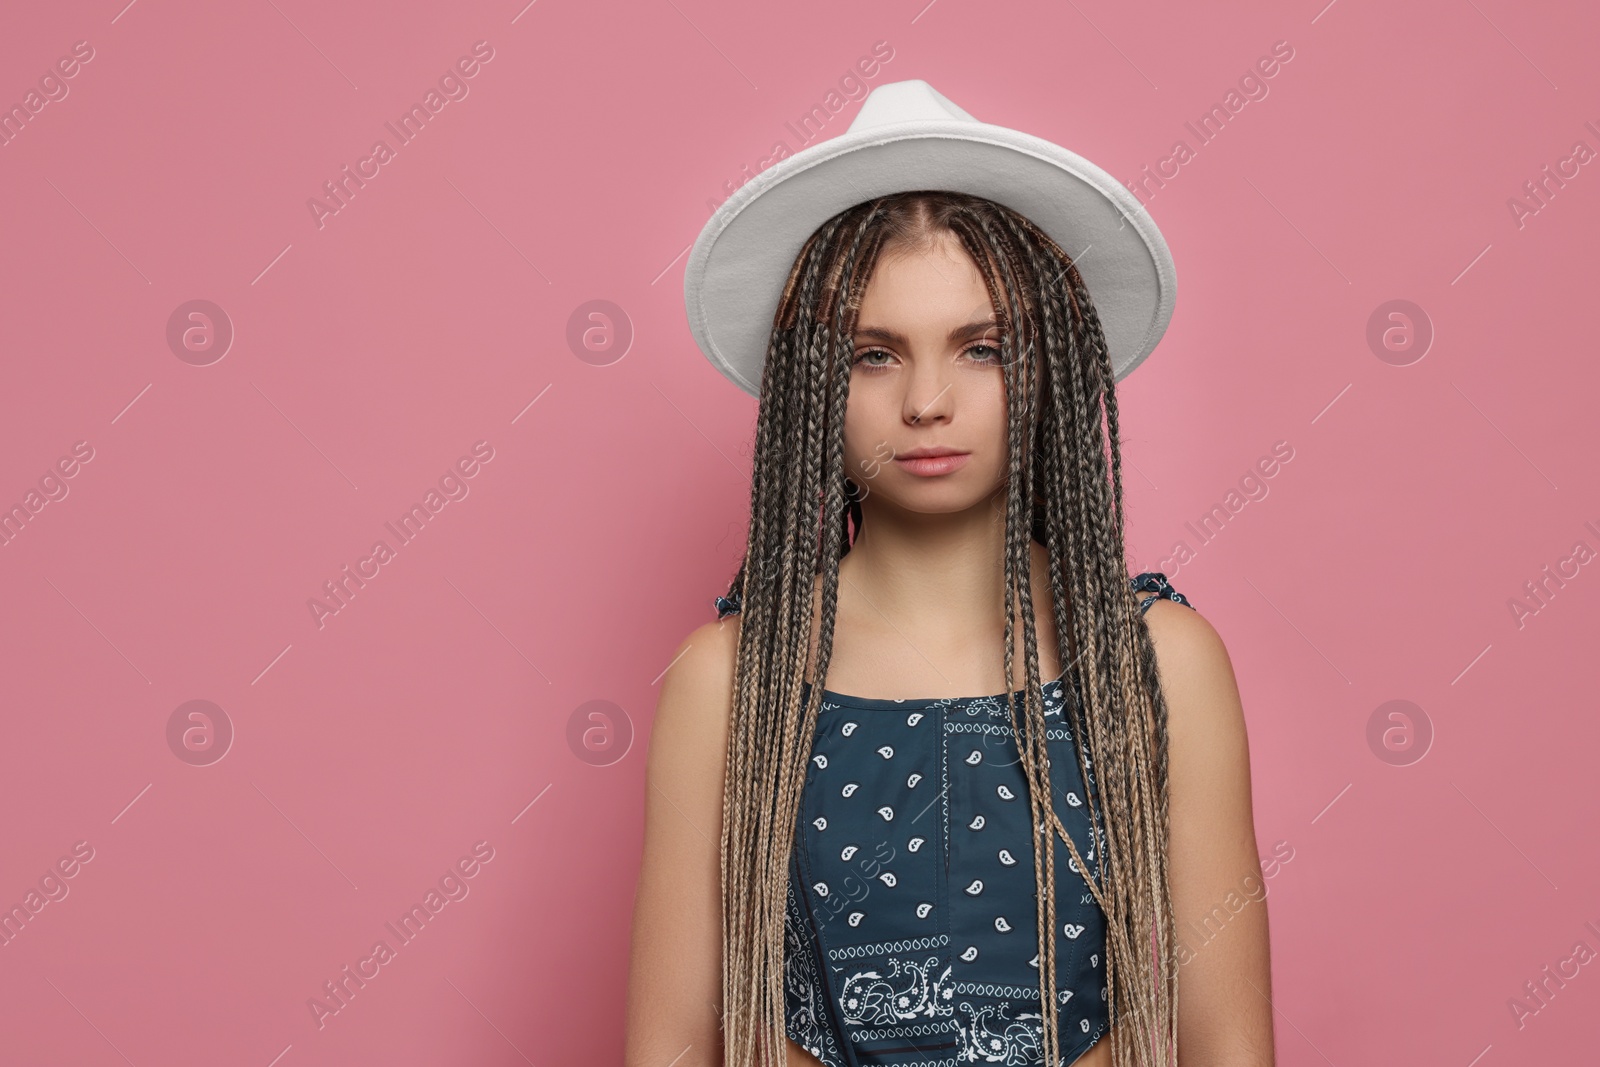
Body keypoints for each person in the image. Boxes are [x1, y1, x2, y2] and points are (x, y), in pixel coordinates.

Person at [628, 81, 1272, 1067]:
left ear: (1049, 363)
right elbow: (669, 1048)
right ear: (812, 384)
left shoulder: (1156, 664)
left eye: (982, 348)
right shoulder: (728, 680)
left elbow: (1231, 1045)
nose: (927, 401)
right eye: (874, 355)